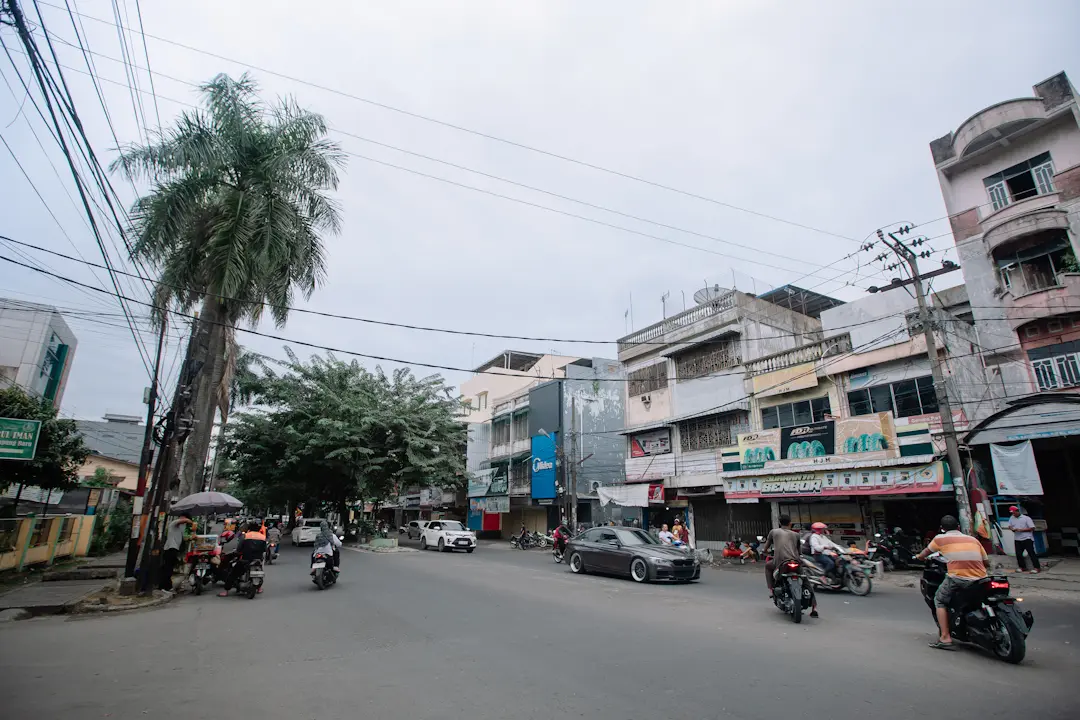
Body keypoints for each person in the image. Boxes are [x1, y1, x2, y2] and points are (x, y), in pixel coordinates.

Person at [915, 515, 990, 651]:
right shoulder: (972, 539)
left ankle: (945, 637)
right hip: (981, 578)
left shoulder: (939, 539)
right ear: (959, 527)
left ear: (942, 529)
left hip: (958, 578)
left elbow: (924, 554)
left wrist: (918, 557)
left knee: (940, 600)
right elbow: (986, 562)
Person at [219, 521, 267, 597]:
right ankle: (259, 588)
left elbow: (239, 548)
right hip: (258, 560)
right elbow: (264, 549)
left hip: (246, 560)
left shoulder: (245, 536)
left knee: (233, 573)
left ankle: (226, 591)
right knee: (259, 571)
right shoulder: (263, 537)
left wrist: (238, 552)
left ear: (249, 529)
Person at [160, 513, 194, 591]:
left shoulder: (181, 528)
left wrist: (191, 537)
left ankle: (167, 586)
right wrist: (191, 522)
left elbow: (184, 538)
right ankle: (165, 586)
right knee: (167, 568)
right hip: (170, 548)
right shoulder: (173, 524)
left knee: (169, 568)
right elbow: (184, 520)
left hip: (174, 549)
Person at [1007, 506, 1040, 574]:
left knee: (1031, 553)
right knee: (1018, 554)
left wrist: (1021, 530)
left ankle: (1037, 567)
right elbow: (1009, 525)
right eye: (1012, 513)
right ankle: (1022, 567)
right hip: (1017, 538)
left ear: (1017, 511)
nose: (1013, 514)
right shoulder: (1012, 518)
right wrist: (1012, 529)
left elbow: (1032, 528)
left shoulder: (1026, 518)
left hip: (1027, 538)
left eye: (1014, 513)